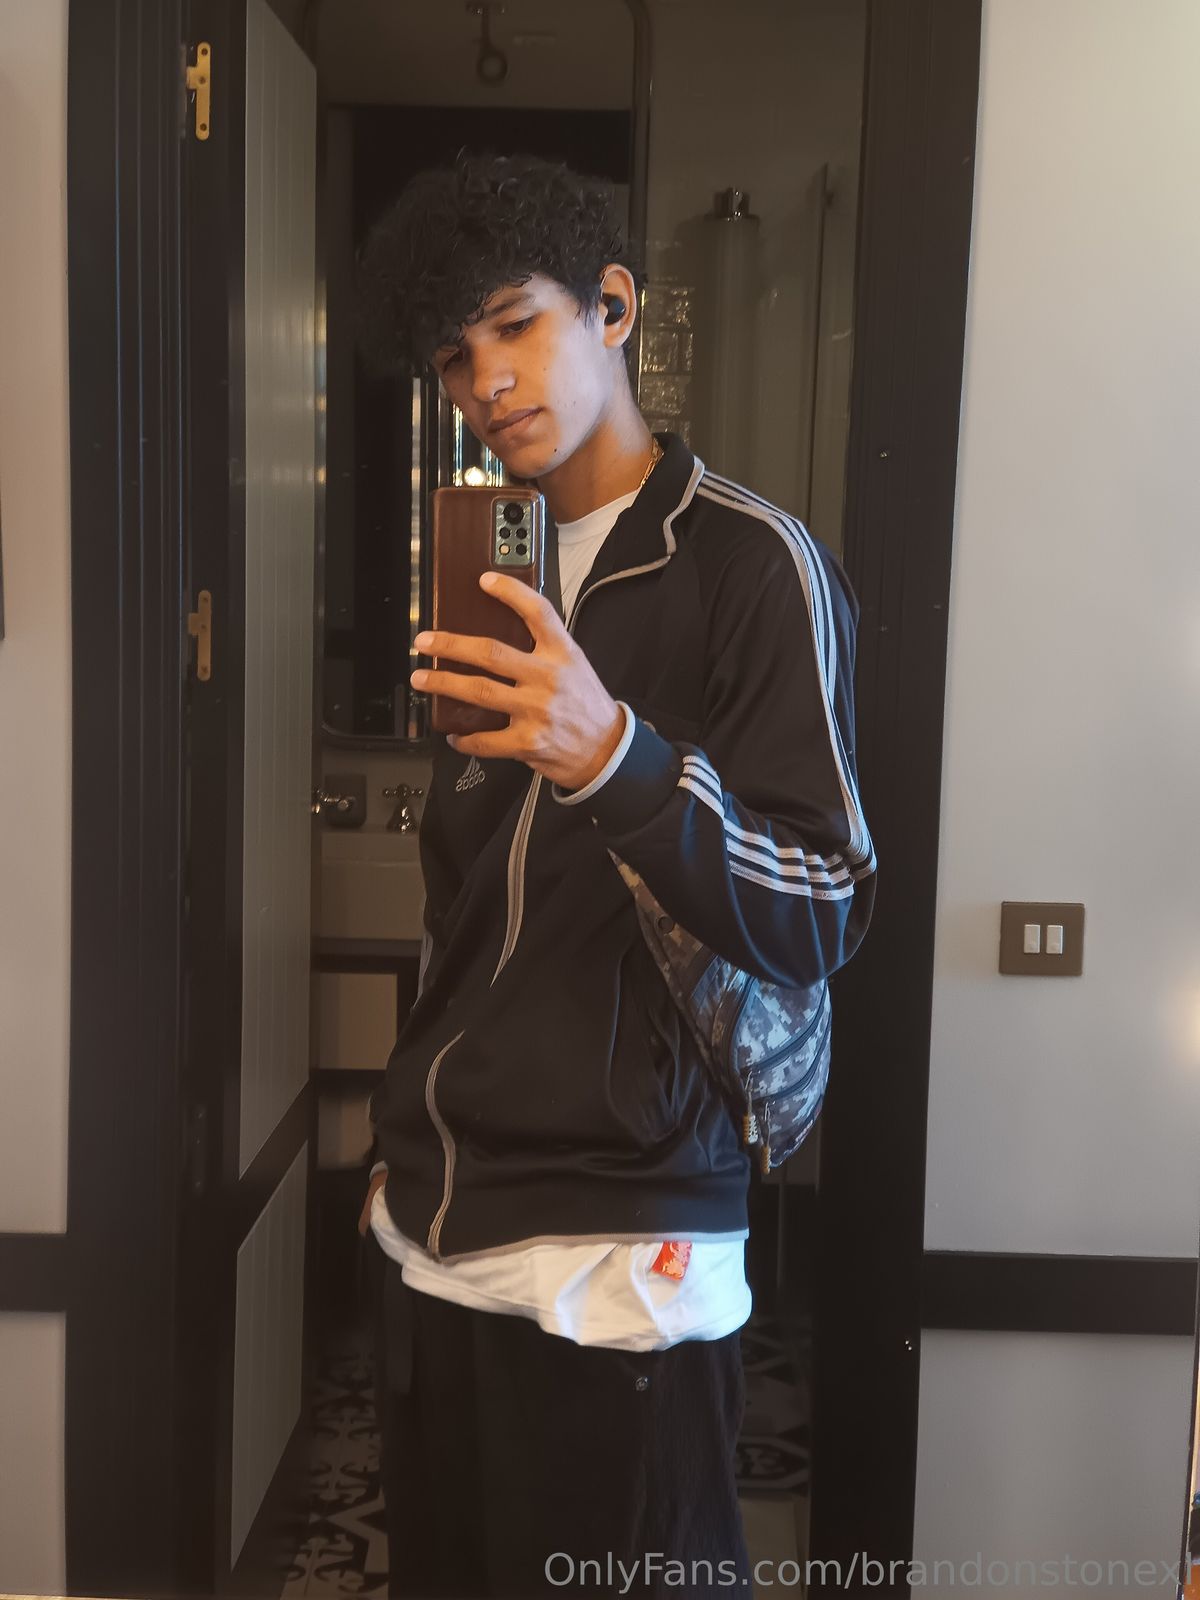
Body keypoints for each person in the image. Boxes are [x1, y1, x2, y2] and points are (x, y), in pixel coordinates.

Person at [354, 150, 876, 1598]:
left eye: (514, 324)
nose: (488, 381)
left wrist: (619, 759)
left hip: (620, 1257)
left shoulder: (752, 566)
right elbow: (466, 908)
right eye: (454, 357)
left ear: (613, 307)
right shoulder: (491, 573)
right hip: (432, 1237)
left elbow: (825, 904)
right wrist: (404, 1138)